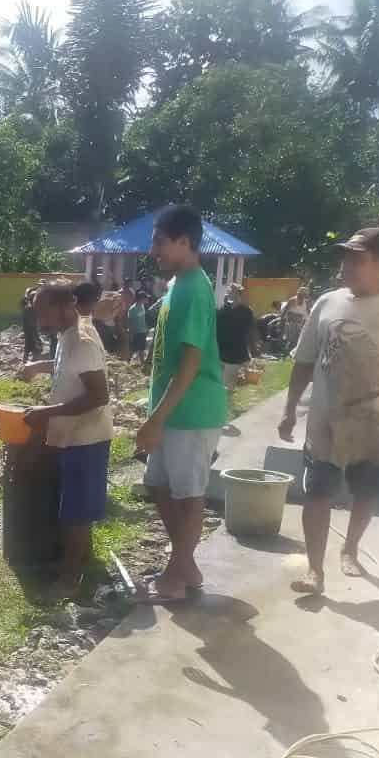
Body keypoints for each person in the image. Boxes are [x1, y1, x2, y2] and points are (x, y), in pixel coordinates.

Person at [279, 228, 379, 595]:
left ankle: (350, 547)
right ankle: (315, 570)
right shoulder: (326, 302)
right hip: (325, 422)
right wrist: (290, 409)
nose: (347, 265)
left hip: (377, 423)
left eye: (357, 258)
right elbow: (304, 361)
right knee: (317, 492)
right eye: (346, 256)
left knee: (366, 490)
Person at [135, 205, 227, 604]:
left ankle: (176, 577)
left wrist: (157, 419)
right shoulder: (178, 285)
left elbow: (191, 362)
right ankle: (185, 565)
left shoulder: (193, 288)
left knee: (189, 495)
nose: (153, 249)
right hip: (174, 411)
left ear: (184, 242)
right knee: (157, 485)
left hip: (190, 412)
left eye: (159, 240)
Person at [19, 284, 113, 602]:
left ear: (63, 307)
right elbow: (67, 369)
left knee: (75, 512)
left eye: (43, 311)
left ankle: (69, 578)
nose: (39, 318)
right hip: (72, 436)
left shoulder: (83, 341)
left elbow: (99, 396)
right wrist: (38, 367)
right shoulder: (68, 333)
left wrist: (47, 412)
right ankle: (80, 559)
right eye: (36, 312)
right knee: (74, 506)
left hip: (87, 438)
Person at [216, 284, 258, 391]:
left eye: (231, 291)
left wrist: (253, 349)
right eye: (229, 291)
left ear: (239, 294)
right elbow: (216, 327)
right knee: (220, 383)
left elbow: (251, 332)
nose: (229, 293)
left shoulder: (246, 311)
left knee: (228, 386)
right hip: (221, 351)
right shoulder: (224, 310)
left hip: (235, 353)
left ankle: (227, 403)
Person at [127, 292, 150, 364]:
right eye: (145, 298)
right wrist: (131, 333)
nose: (147, 299)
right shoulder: (133, 309)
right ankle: (127, 361)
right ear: (141, 299)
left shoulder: (142, 306)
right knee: (133, 349)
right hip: (136, 332)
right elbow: (130, 322)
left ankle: (142, 363)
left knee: (141, 348)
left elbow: (143, 319)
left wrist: (146, 329)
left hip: (142, 331)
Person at [21, 287, 42, 361]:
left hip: (28, 330)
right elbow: (33, 323)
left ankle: (25, 361)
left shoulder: (27, 308)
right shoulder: (31, 309)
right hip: (32, 331)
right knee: (36, 347)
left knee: (28, 346)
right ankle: (34, 363)